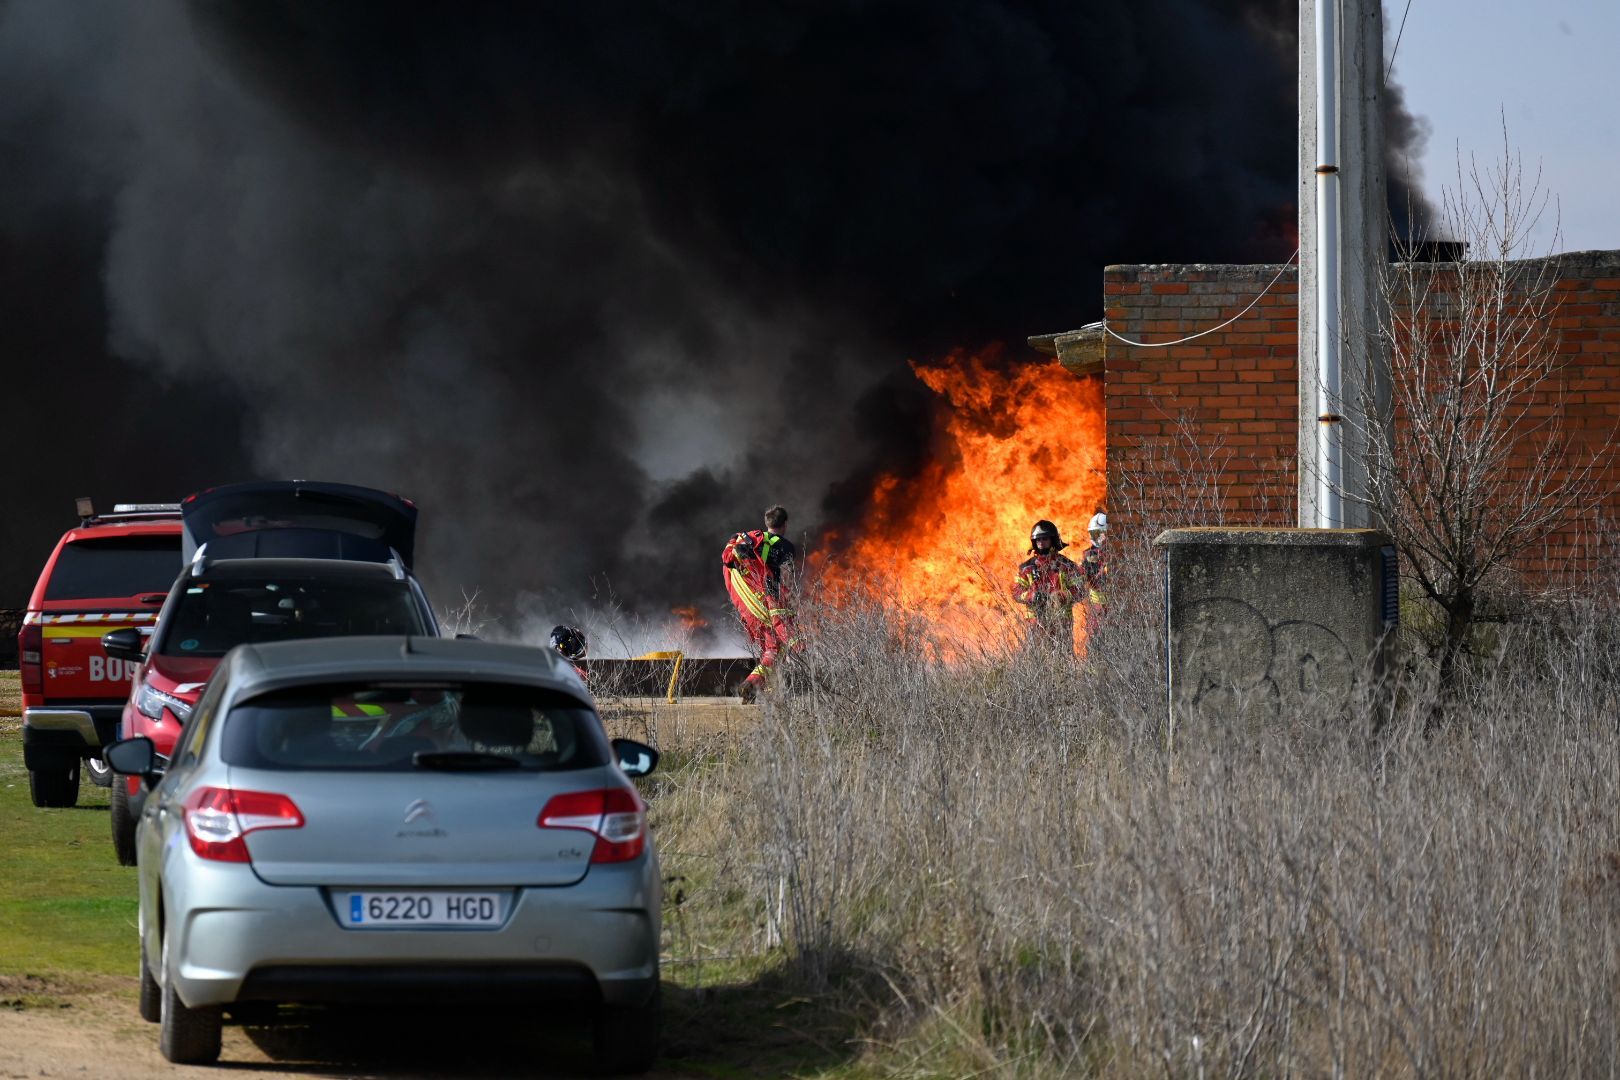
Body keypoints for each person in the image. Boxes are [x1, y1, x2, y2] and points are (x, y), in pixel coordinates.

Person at [722, 504, 799, 701]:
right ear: (785, 524)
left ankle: (760, 690)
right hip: (768, 604)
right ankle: (751, 686)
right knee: (775, 650)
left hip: (747, 603)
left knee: (769, 650)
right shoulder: (786, 547)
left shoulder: (749, 539)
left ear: (767, 523)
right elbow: (786, 582)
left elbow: (729, 561)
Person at [1012, 519, 1085, 653]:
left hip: (1061, 623)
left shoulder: (1067, 565)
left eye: (1045, 538)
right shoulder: (1026, 568)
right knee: (1037, 659)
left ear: (1053, 540)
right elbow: (1016, 592)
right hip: (1035, 623)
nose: (1041, 542)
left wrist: (1062, 596)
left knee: (1062, 657)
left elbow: (1080, 590)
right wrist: (1031, 596)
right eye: (1038, 539)